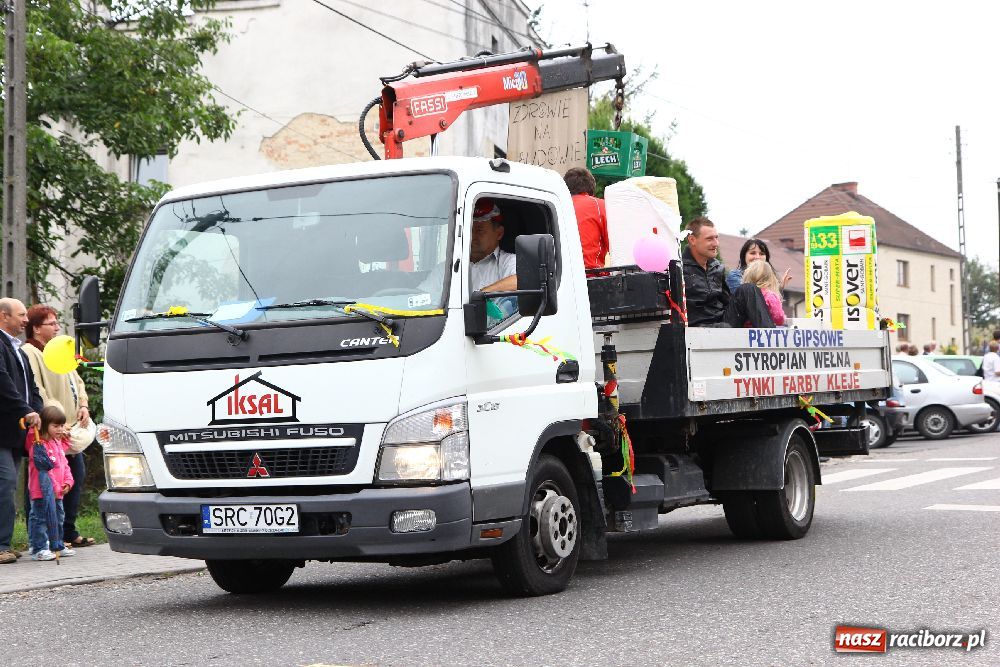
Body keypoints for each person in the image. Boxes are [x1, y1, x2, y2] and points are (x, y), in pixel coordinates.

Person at [23, 305, 94, 548]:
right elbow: (37, 390)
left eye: (56, 323)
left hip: (70, 426)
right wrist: (55, 421)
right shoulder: (30, 352)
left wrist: (83, 405)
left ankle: (67, 531)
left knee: (73, 477)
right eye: (50, 323)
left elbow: (77, 380)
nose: (56, 327)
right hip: (50, 429)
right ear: (36, 328)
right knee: (44, 483)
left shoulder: (60, 350)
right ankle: (41, 537)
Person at [0, 298, 43, 564]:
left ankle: (5, 541)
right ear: (4, 316)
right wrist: (24, 409)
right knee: (5, 484)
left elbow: (32, 386)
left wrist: (37, 410)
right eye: (22, 315)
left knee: (10, 484)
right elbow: (2, 381)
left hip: (14, 432)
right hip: (2, 430)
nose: (26, 320)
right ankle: (1, 544)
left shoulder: (18, 348)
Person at [682, 218, 775, 328]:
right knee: (724, 327)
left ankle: (771, 339)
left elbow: (729, 301)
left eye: (716, 238)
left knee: (748, 289)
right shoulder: (679, 269)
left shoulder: (717, 267)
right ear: (692, 240)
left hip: (723, 322)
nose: (716, 243)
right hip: (696, 328)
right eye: (709, 239)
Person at [25, 405, 74, 561]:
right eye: (55, 426)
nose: (60, 429)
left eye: (61, 425)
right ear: (45, 425)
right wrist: (34, 427)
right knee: (40, 518)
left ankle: (56, 544)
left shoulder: (57, 443)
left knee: (58, 517)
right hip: (41, 490)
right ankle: (38, 548)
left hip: (58, 491)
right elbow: (46, 469)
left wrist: (67, 481)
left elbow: (64, 464)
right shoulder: (37, 442)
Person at [563, 167, 609, 270]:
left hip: (558, 276)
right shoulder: (600, 205)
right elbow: (615, 247)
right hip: (591, 275)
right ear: (591, 189)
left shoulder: (557, 205)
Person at [726, 239, 793, 292]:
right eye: (753, 253)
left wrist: (780, 288)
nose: (757, 257)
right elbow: (747, 301)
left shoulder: (772, 278)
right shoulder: (735, 276)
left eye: (761, 254)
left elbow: (772, 306)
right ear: (744, 256)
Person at [741, 260, 786, 326]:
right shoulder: (769, 296)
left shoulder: (744, 296)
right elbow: (778, 317)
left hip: (744, 333)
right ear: (770, 277)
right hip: (763, 333)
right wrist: (784, 319)